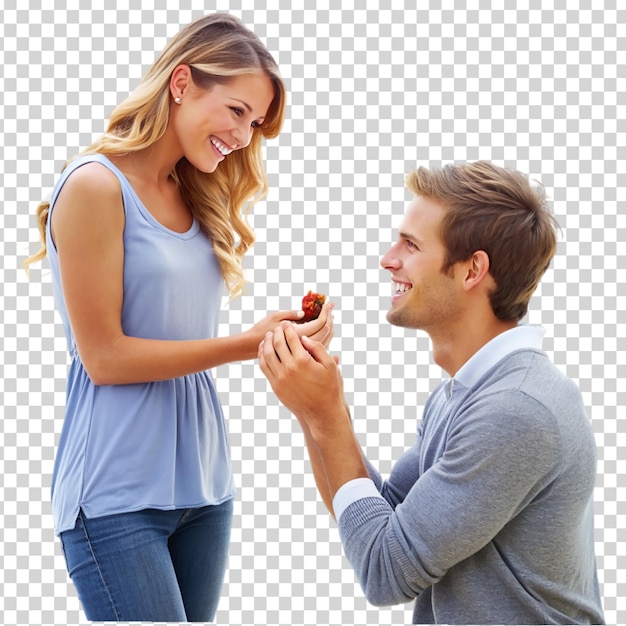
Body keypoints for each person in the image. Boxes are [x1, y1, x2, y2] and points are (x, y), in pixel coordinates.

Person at [24, 13, 332, 622]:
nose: (245, 137)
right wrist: (244, 345)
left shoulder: (194, 191)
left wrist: (274, 339)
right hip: (115, 495)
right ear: (183, 82)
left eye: (257, 123)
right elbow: (104, 358)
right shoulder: (94, 185)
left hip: (205, 488)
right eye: (239, 111)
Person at [259, 161, 605, 625]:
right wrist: (310, 407)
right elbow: (379, 521)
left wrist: (326, 415)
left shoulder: (515, 411)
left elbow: (386, 572)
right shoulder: (467, 392)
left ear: (471, 271)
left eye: (411, 244)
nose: (388, 259)